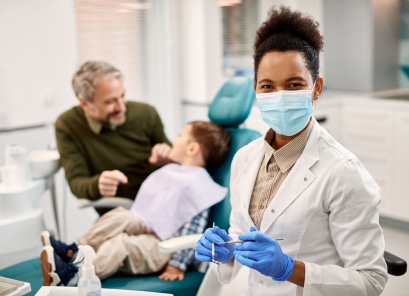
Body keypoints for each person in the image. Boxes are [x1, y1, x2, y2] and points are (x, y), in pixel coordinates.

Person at [195, 6, 388, 296]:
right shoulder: (245, 158)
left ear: (316, 88)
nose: (280, 97)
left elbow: (371, 280)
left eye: (294, 85)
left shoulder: (343, 172)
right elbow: (240, 233)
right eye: (267, 86)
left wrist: (289, 268)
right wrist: (226, 251)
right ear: (256, 90)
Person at [41, 120, 231, 286]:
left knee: (121, 243)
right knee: (122, 216)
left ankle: (77, 276)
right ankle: (74, 251)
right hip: (149, 227)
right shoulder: (175, 170)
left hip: (166, 246)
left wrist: (177, 265)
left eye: (180, 136)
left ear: (192, 149)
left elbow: (193, 230)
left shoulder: (198, 185)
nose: (174, 139)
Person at [55, 60, 172, 215]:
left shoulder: (146, 113)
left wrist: (167, 156)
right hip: (117, 214)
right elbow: (77, 183)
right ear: (85, 103)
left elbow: (180, 162)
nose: (121, 107)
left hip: (160, 206)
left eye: (122, 96)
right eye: (110, 101)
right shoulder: (68, 125)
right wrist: (98, 185)